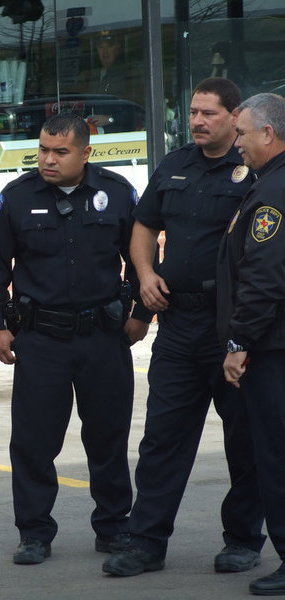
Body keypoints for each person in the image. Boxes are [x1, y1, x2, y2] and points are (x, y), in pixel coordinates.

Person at [103, 77, 265, 578]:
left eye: (208, 114)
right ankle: (147, 543)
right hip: (178, 323)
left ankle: (242, 539)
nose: (197, 121)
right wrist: (147, 274)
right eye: (193, 112)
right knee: (162, 439)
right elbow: (144, 226)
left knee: (245, 440)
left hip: (231, 325)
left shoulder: (255, 172)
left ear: (235, 117)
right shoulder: (174, 166)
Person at [0, 113, 152, 565]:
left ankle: (114, 527)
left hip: (103, 337)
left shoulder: (116, 193)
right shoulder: (16, 198)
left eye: (60, 152)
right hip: (42, 341)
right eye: (42, 150)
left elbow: (140, 258)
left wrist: (141, 313)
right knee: (35, 441)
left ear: (85, 153)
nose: (48, 160)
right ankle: (34, 532)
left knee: (108, 437)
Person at [217, 92, 285, 596]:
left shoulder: (272, 194)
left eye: (242, 133)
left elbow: (263, 277)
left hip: (273, 351)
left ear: (268, 134)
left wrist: (240, 339)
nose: (235, 143)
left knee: (276, 457)